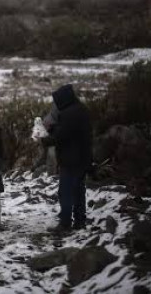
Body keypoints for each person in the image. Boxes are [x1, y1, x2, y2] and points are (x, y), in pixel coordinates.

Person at [41, 84, 93, 232]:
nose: (56, 103)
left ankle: (65, 223)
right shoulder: (81, 110)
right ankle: (79, 221)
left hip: (70, 159)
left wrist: (45, 138)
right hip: (82, 158)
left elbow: (61, 136)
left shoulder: (68, 114)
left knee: (65, 192)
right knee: (78, 191)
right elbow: (72, 133)